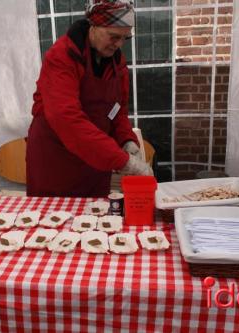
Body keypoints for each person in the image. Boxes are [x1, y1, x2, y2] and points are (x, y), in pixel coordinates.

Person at [26, 0, 153, 197]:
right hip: (57, 160)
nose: (119, 44)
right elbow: (66, 118)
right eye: (114, 36)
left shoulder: (116, 63)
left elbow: (117, 110)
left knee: (96, 219)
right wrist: (122, 161)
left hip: (95, 159)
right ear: (94, 26)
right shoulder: (62, 57)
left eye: (125, 38)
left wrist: (127, 140)